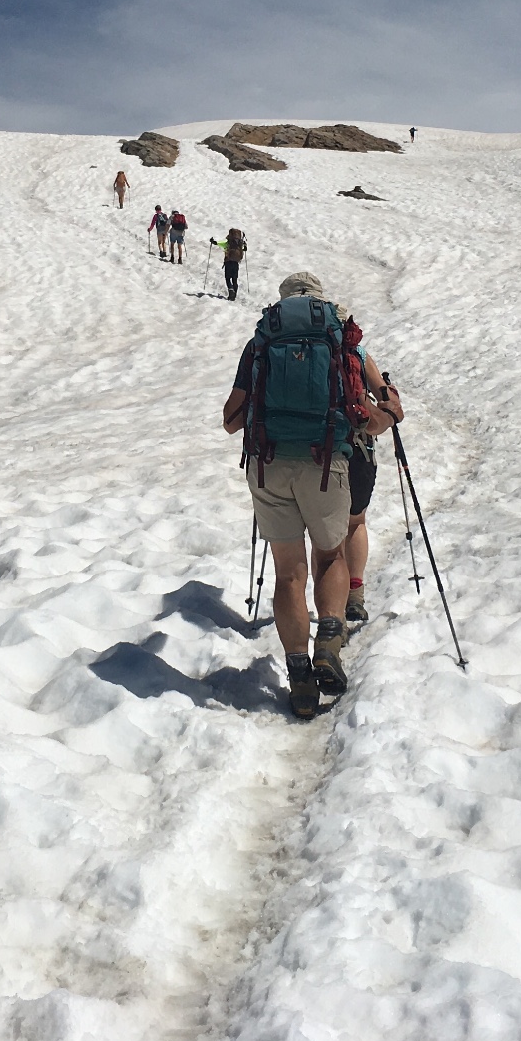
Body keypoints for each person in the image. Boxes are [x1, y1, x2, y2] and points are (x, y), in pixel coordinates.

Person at [222, 272, 400, 718]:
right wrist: (389, 414)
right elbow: (367, 414)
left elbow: (230, 419)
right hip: (326, 464)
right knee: (329, 557)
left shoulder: (263, 339)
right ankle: (329, 643)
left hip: (269, 464)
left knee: (289, 574)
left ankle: (299, 675)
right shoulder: (341, 338)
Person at [339, 344, 399, 623]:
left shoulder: (280, 342)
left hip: (305, 453)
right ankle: (354, 593)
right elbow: (388, 400)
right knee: (354, 522)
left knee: (322, 533)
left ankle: (331, 607)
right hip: (356, 452)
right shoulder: (355, 352)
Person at [214, 227, 247, 299]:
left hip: (228, 262)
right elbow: (244, 249)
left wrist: (214, 242)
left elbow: (219, 243)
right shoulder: (239, 244)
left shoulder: (228, 243)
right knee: (234, 279)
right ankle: (234, 293)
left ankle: (231, 290)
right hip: (236, 263)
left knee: (228, 278)